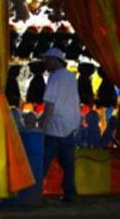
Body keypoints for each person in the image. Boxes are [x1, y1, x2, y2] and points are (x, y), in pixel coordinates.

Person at [39, 48, 80, 203]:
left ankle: (35, 191)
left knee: (44, 160)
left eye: (48, 60)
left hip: (56, 125)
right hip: (70, 124)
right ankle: (70, 192)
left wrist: (41, 123)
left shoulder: (54, 77)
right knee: (68, 163)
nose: (45, 63)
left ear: (56, 61)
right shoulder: (70, 76)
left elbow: (50, 103)